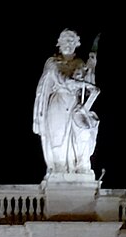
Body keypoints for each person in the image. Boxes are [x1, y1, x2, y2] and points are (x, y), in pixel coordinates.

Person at [32, 30, 101, 179]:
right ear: (59, 43)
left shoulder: (80, 64)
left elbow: (89, 86)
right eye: (65, 41)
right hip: (57, 103)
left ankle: (78, 168)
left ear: (76, 44)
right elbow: (61, 79)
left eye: (71, 41)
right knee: (58, 137)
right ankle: (59, 171)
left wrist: (92, 68)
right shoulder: (52, 62)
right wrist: (77, 82)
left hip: (75, 104)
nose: (68, 44)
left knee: (80, 135)